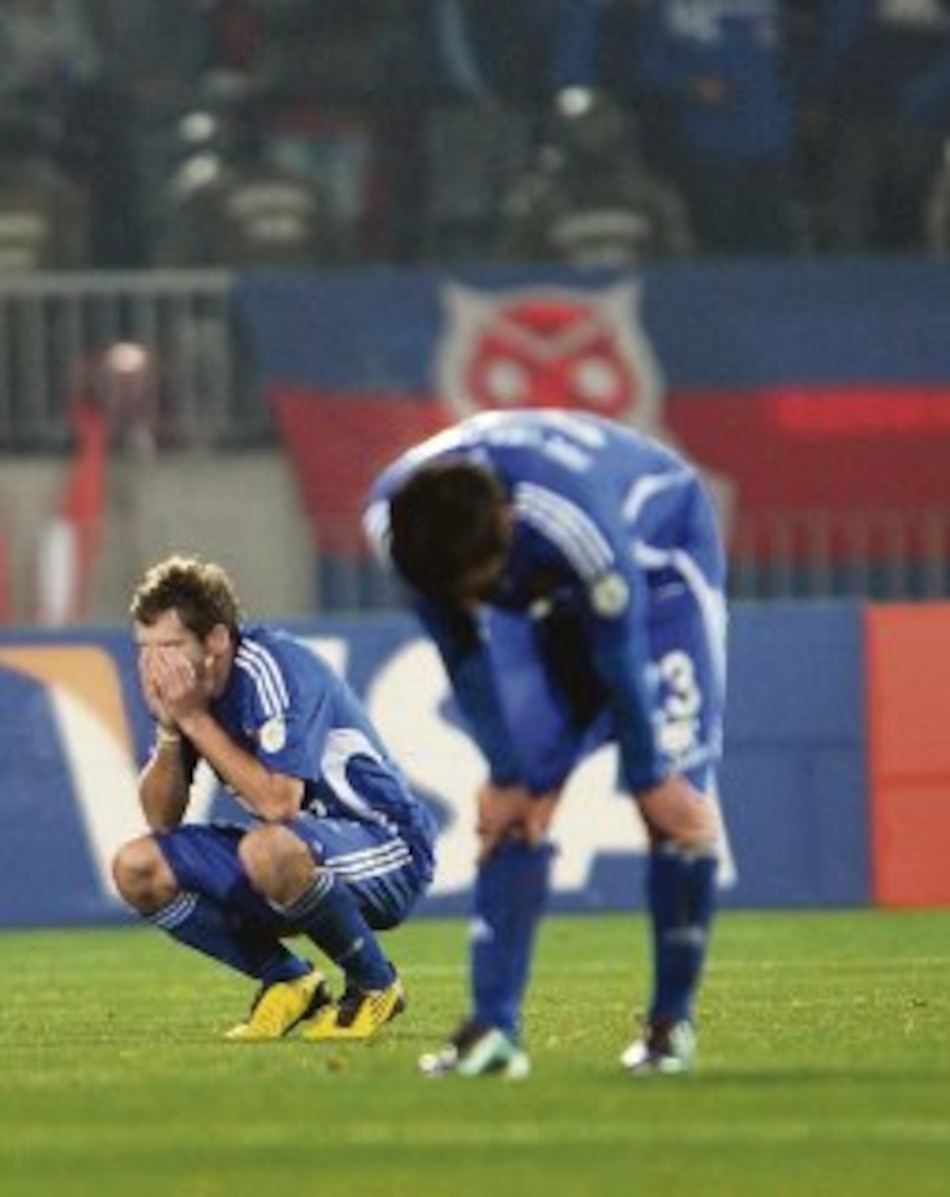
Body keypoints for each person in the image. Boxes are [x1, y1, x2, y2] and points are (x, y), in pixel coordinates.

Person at [364, 409, 728, 1078]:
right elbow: (461, 649)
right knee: (515, 806)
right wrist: (506, 771)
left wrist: (650, 773)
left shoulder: (570, 515)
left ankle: (670, 1026)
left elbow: (620, 648)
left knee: (675, 806)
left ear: (505, 521)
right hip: (548, 600)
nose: (477, 600)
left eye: (483, 584)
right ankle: (494, 1029)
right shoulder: (398, 527)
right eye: (465, 592)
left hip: (658, 571)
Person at [112, 555, 436, 1042]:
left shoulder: (273, 668)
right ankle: (289, 980)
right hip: (295, 852)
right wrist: (170, 728)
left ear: (217, 640)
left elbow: (279, 804)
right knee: (137, 868)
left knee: (269, 846)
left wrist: (195, 719)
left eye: (172, 645)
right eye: (147, 648)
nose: (159, 664)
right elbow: (162, 819)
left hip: (387, 847)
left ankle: (375, 985)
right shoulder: (189, 694)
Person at [499, 86, 695, 267]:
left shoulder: (651, 194)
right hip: (562, 300)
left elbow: (682, 265)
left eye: (596, 122)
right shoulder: (539, 199)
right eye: (578, 126)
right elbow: (513, 269)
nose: (588, 134)